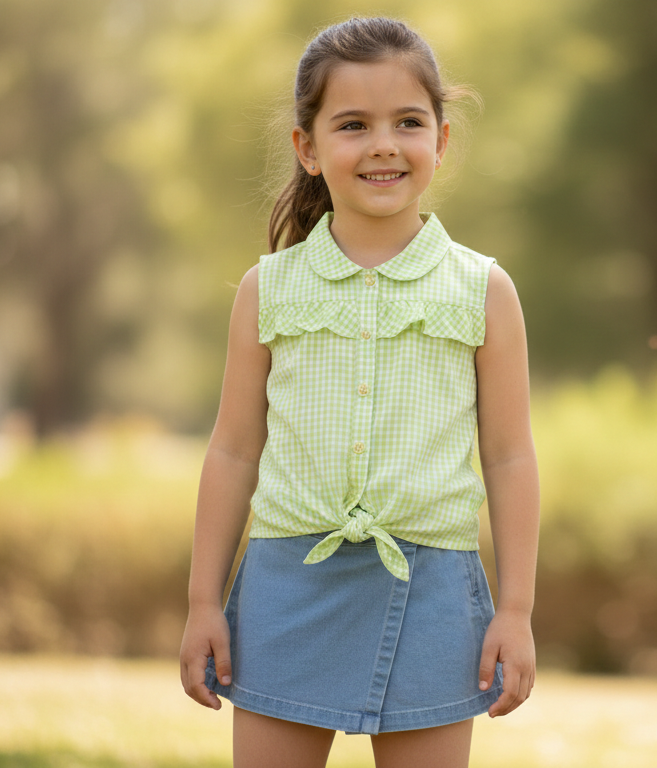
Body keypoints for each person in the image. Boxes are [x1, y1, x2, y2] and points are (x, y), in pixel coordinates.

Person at [179, 16, 540, 768]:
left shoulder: (483, 290)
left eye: (408, 122)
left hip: (433, 591)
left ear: (441, 139)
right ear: (307, 148)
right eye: (352, 125)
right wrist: (202, 602)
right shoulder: (266, 289)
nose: (383, 144)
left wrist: (516, 609)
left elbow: (509, 458)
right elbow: (234, 451)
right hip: (288, 588)